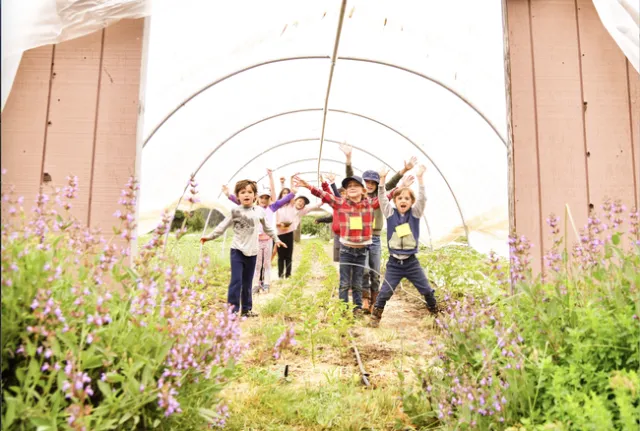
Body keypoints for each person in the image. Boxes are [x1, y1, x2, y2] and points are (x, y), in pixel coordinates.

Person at [341, 143, 418, 314]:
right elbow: (350, 179)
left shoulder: (380, 196)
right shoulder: (357, 197)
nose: (369, 184)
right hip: (360, 239)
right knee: (364, 271)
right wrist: (348, 160)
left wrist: (404, 170)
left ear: (376, 184)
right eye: (366, 182)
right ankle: (366, 300)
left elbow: (390, 184)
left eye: (372, 182)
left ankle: (375, 299)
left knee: (375, 271)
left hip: (374, 238)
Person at [201, 179, 286, 317]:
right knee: (236, 281)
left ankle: (246, 310)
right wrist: (209, 236)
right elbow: (222, 226)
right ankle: (232, 312)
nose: (246, 194)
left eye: (250, 192)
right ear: (238, 196)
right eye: (242, 192)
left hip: (253, 252)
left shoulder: (259, 211)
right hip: (237, 251)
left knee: (247, 282)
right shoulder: (235, 211)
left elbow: (268, 228)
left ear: (255, 196)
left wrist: (276, 239)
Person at [294, 174, 376, 314]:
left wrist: (400, 180)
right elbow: (325, 195)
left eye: (356, 186)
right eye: (349, 186)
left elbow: (386, 197)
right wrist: (308, 186)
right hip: (346, 250)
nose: (352, 188)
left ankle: (357, 309)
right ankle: (343, 309)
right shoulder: (341, 203)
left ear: (363, 190)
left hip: (362, 251)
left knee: (357, 283)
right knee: (344, 283)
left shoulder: (369, 204)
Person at [369, 165, 437, 328]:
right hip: (394, 264)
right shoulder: (390, 213)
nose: (403, 201)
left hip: (411, 263)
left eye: (407, 198)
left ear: (411, 202)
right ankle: (376, 316)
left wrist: (420, 179)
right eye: (400, 198)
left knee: (426, 289)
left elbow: (422, 199)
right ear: (395, 201)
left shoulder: (415, 214)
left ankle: (434, 311)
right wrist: (382, 181)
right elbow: (382, 199)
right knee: (385, 291)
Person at [225, 172, 294, 293]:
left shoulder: (272, 208)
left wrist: (293, 192)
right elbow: (239, 201)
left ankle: (266, 284)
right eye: (262, 197)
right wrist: (228, 195)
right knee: (257, 264)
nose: (264, 200)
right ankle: (256, 284)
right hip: (255, 240)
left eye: (266, 198)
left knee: (266, 263)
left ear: (269, 199)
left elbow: (284, 200)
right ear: (257, 198)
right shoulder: (253, 208)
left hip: (267, 240)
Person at [274, 175, 322, 279]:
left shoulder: (302, 210)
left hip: (289, 232)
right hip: (279, 232)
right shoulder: (286, 205)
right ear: (295, 200)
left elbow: (315, 206)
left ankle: (288, 275)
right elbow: (286, 195)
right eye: (300, 201)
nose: (301, 203)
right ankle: (280, 275)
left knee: (288, 255)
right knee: (280, 255)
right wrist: (284, 183)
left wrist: (324, 200)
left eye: (303, 203)